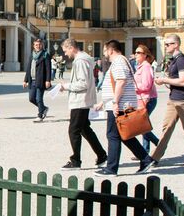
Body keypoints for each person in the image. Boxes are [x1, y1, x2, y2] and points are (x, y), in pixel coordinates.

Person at [93, 40, 155, 177]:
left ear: (110, 50)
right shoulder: (122, 61)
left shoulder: (119, 62)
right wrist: (104, 103)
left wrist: (115, 102)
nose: (104, 54)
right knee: (124, 135)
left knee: (113, 136)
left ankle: (111, 169)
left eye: (105, 50)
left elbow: (121, 81)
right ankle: (145, 159)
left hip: (120, 105)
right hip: (121, 103)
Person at [149, 34, 184, 168]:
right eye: (165, 44)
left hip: (183, 99)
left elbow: (183, 81)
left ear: (176, 45)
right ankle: (154, 158)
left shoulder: (181, 60)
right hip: (174, 97)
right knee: (166, 127)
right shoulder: (174, 59)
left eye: (168, 44)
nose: (166, 46)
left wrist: (164, 80)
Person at [59, 38, 107, 170]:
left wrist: (67, 86)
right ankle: (101, 155)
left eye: (65, 51)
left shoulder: (80, 61)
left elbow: (83, 83)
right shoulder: (85, 59)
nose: (65, 54)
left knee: (73, 130)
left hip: (80, 101)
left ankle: (76, 161)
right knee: (85, 129)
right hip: (84, 99)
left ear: (71, 48)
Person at [132, 44, 160, 154]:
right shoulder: (140, 66)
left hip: (148, 99)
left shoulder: (146, 67)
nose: (136, 54)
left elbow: (147, 86)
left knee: (141, 126)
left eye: (138, 52)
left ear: (145, 55)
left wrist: (133, 87)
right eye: (135, 52)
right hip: (142, 99)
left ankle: (159, 144)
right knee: (144, 126)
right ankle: (145, 151)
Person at [23, 38, 52, 122]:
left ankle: (40, 115)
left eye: (39, 45)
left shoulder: (45, 55)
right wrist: (25, 80)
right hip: (32, 81)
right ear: (33, 46)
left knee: (39, 99)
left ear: (42, 45)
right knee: (31, 99)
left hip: (41, 80)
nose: (38, 46)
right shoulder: (32, 55)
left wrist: (48, 80)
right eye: (36, 45)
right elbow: (28, 68)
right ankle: (44, 108)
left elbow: (48, 69)